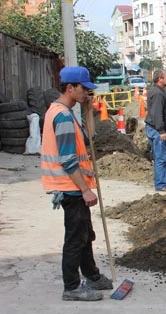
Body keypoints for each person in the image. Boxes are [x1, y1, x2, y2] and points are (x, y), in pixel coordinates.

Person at [41, 66, 113, 301]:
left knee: (85, 234)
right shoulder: (61, 116)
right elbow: (68, 159)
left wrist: (88, 111)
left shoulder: (66, 111)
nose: (86, 93)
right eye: (83, 89)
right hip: (70, 187)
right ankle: (71, 286)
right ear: (70, 88)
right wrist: (85, 189)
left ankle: (91, 274)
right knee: (75, 238)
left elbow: (88, 139)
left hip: (72, 186)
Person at [145, 69, 166, 192]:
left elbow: (157, 111)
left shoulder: (155, 91)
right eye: (165, 77)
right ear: (160, 79)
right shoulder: (158, 93)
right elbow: (157, 113)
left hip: (153, 128)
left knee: (159, 157)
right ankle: (161, 184)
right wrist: (162, 130)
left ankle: (161, 182)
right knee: (161, 158)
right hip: (157, 131)